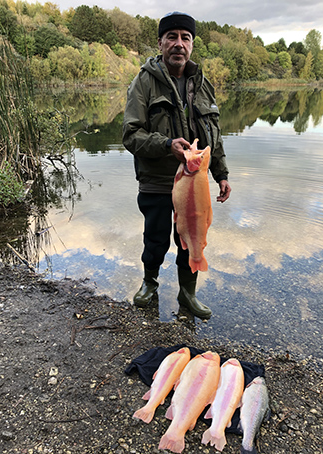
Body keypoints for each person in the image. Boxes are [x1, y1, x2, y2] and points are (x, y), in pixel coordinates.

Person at [122, 11, 231, 319]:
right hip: (157, 180)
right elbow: (130, 135)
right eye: (172, 37)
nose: (179, 44)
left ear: (192, 45)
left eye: (186, 38)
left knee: (190, 238)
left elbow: (215, 136)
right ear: (160, 43)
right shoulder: (142, 83)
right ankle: (150, 283)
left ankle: (188, 293)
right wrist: (166, 145)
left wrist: (221, 174)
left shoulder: (203, 85)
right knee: (155, 238)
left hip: (194, 182)